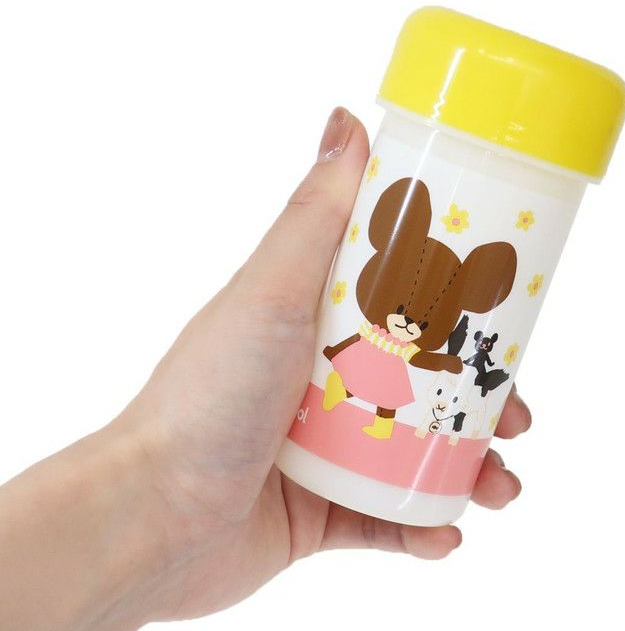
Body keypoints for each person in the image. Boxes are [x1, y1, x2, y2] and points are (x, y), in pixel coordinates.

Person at [0, 108, 530, 631]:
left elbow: (435, 356)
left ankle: (362, 411)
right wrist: (168, 489)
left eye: (424, 320)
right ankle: (340, 391)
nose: (409, 322)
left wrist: (164, 495)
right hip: (301, 437)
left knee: (403, 396)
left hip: (297, 472)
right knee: (373, 379)